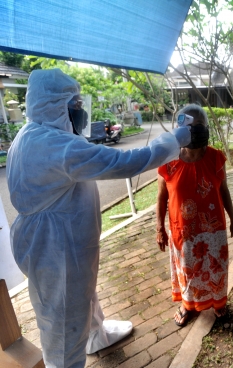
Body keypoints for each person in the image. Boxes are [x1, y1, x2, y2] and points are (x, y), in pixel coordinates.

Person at [7, 69, 194, 368]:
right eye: (76, 106)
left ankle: (97, 334)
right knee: (63, 320)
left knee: (82, 291)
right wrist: (174, 140)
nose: (80, 113)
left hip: (57, 239)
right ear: (56, 106)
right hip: (56, 247)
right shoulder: (55, 145)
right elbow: (123, 163)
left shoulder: (35, 134)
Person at [156, 104, 233, 327]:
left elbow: (224, 190)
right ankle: (187, 305)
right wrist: (159, 228)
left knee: (216, 267)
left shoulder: (215, 158)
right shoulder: (169, 161)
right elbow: (161, 198)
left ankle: (218, 302)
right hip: (183, 231)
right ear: (179, 130)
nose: (195, 131)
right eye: (189, 127)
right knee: (187, 271)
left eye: (199, 126)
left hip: (214, 230)